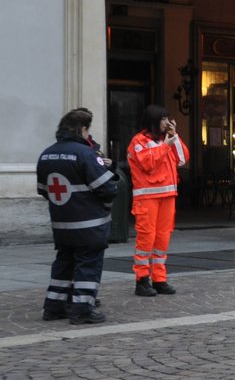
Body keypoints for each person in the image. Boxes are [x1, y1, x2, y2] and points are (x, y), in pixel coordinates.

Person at [37, 108, 118, 324]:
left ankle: (53, 307)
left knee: (63, 262)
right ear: (82, 129)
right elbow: (107, 188)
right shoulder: (85, 154)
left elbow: (43, 190)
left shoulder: (46, 154)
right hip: (89, 223)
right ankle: (82, 310)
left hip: (62, 224)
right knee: (88, 264)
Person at [127, 104, 187, 297]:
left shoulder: (166, 141)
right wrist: (166, 145)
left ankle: (159, 279)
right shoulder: (139, 141)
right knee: (146, 238)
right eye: (162, 119)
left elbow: (183, 159)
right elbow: (148, 164)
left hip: (167, 196)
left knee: (162, 237)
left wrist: (174, 136)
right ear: (153, 121)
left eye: (167, 118)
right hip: (147, 198)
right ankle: (141, 280)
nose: (166, 122)